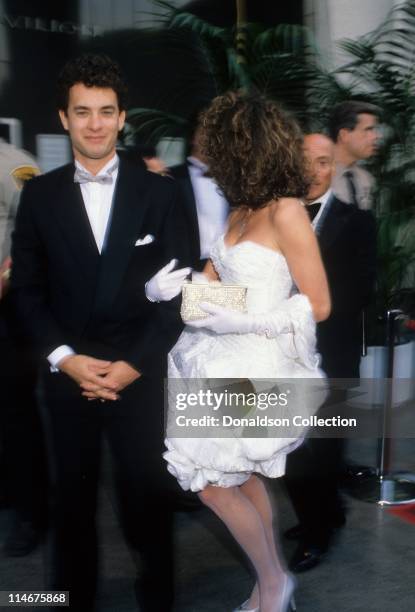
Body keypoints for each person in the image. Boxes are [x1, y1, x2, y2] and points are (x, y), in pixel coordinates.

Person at [10, 54, 191, 612]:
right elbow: (29, 292)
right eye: (82, 111)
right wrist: (65, 358)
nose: (94, 123)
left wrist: (134, 364)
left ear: (122, 117)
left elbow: (183, 291)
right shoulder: (38, 196)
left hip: (138, 373)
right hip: (69, 375)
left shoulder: (160, 193)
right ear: (63, 118)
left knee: (150, 500)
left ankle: (159, 600)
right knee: (72, 505)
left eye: (105, 112)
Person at [146, 92, 331, 612]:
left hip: (257, 366)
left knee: (210, 483)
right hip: (217, 360)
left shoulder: (287, 211)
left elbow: (317, 303)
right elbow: (216, 288)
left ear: (249, 149)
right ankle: (273, 581)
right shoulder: (243, 208)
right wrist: (166, 292)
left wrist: (244, 319)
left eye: (221, 149)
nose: (211, 160)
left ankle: (273, 582)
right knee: (237, 476)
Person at [284, 133, 377, 572]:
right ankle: (317, 517)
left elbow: (359, 292)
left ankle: (318, 532)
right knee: (292, 449)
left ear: (332, 168)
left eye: (324, 162)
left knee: (322, 446)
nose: (314, 171)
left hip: (331, 354)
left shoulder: (357, 221)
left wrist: (297, 307)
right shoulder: (275, 215)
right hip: (281, 354)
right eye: (305, 161)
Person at [0, 139, 47, 556]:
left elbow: (33, 233)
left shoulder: (13, 164)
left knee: (15, 415)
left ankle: (32, 513)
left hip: (6, 312)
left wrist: (5, 274)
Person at [169, 118, 229, 270]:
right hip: (185, 268)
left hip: (229, 268)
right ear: (194, 137)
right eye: (207, 132)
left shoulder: (232, 181)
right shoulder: (171, 177)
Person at [329, 100, 380, 210]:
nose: (376, 136)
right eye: (368, 129)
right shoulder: (319, 178)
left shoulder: (366, 180)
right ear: (344, 135)